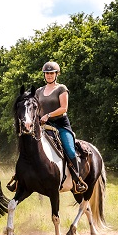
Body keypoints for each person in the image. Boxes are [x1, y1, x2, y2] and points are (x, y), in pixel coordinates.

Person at [36, 61, 88, 194]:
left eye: (51, 73)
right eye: (47, 73)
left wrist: (48, 115)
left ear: (56, 74)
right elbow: (35, 108)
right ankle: (20, 178)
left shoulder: (61, 89)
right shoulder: (39, 91)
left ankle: (77, 180)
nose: (49, 75)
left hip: (60, 125)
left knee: (70, 150)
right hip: (44, 126)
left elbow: (64, 108)